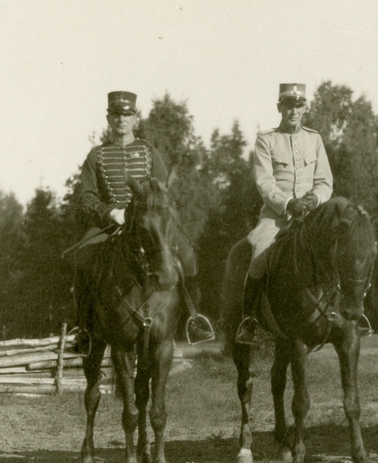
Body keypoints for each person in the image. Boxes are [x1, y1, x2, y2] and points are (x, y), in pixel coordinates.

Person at [69, 91, 214, 348]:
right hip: (111, 223)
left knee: (188, 256)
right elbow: (87, 197)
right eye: (116, 114)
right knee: (83, 257)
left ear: (135, 118)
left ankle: (192, 318)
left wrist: (154, 213)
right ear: (108, 118)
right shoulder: (97, 155)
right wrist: (111, 213)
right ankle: (85, 328)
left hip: (149, 222)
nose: (121, 119)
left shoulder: (148, 152)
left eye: (126, 114)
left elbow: (162, 191)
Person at [234, 83, 333, 345]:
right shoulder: (267, 139)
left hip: (311, 218)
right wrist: (288, 203)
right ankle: (249, 321)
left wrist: (316, 197)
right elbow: (264, 183)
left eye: (299, 105)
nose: (294, 110)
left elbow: (325, 181)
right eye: (288, 105)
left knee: (339, 248)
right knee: (259, 254)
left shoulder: (314, 139)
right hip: (276, 218)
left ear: (305, 108)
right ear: (280, 107)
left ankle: (348, 316)